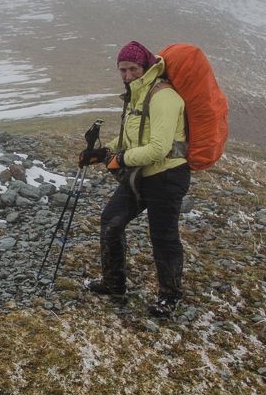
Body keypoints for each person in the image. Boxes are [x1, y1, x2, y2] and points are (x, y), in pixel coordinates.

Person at [79, 40, 191, 317]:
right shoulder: (136, 95)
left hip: (167, 175)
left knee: (163, 237)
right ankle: (113, 283)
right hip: (141, 174)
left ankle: (170, 295)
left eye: (133, 69)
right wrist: (103, 152)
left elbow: (158, 148)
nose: (128, 76)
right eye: (122, 70)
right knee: (111, 221)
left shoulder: (164, 97)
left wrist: (122, 160)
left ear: (146, 66)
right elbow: (132, 137)